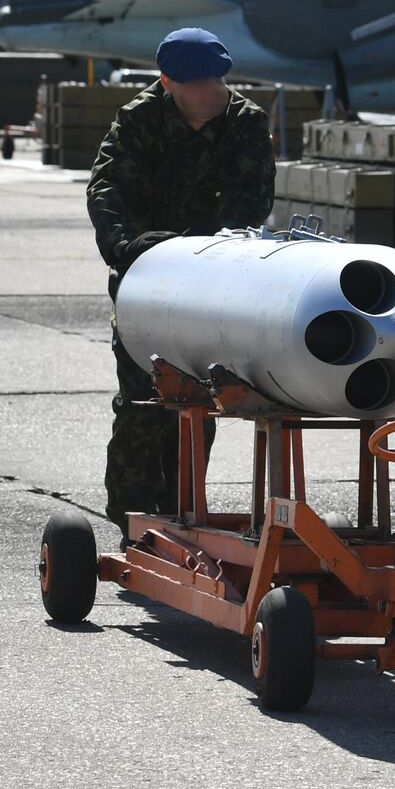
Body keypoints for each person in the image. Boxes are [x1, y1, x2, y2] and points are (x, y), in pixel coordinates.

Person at [85, 28, 276, 532]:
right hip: (146, 277)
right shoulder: (139, 120)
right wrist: (125, 247)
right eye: (198, 83)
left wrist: (211, 246)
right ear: (167, 82)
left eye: (218, 80)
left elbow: (252, 200)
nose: (212, 91)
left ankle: (182, 515)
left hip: (212, 279)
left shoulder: (245, 122)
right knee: (143, 405)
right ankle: (132, 521)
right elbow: (106, 189)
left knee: (198, 404)